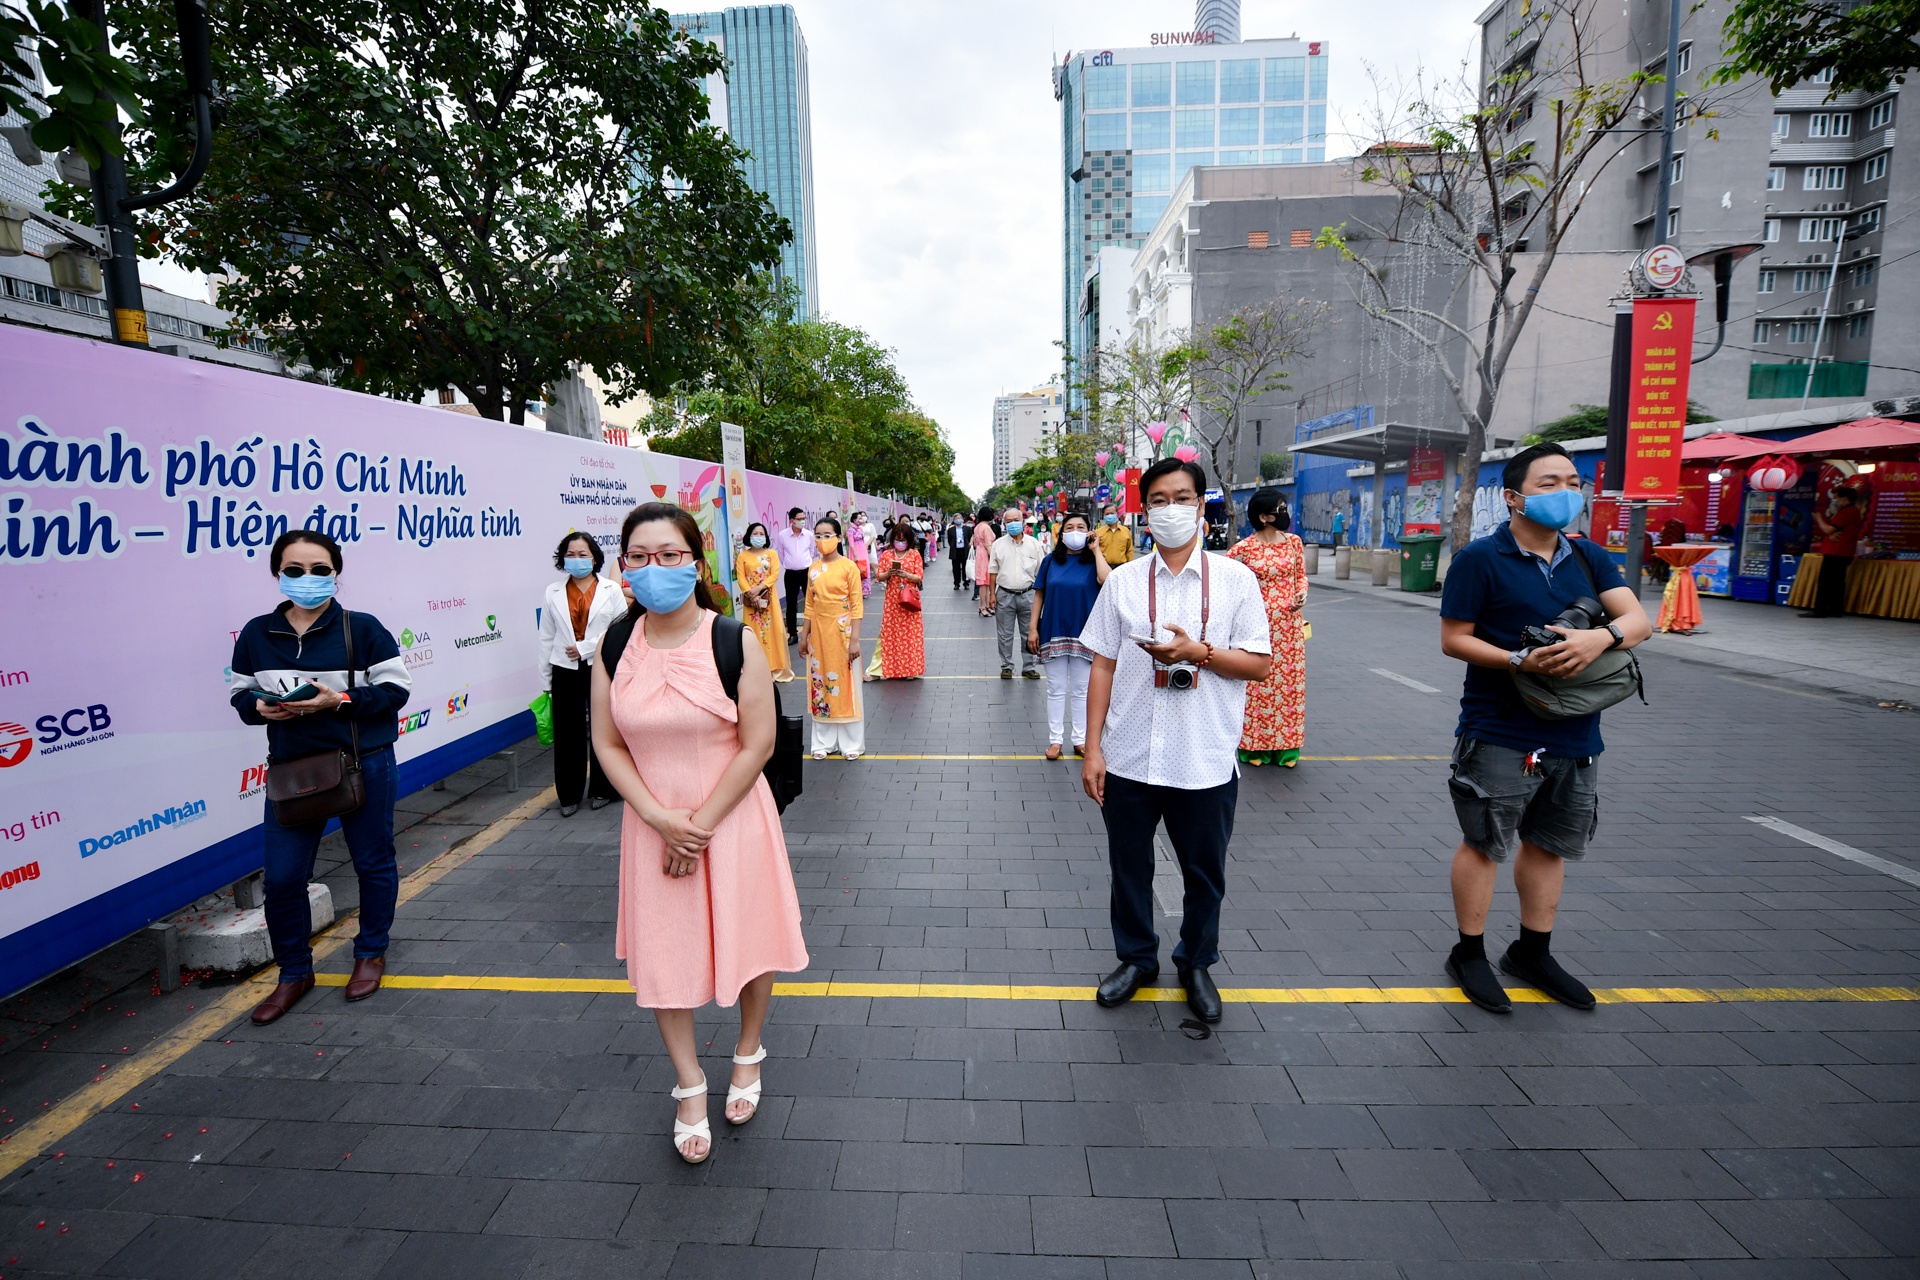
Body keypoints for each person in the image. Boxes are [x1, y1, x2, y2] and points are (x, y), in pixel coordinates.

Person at [592, 502, 809, 1164]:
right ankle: (689, 1086)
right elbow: (606, 744)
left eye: (670, 555)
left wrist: (702, 825)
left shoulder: (732, 638)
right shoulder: (614, 644)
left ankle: (749, 1051)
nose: (654, 568)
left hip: (733, 820)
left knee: (752, 943)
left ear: (695, 563)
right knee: (666, 957)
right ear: (624, 566)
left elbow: (759, 742)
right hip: (652, 829)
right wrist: (662, 822)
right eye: (640, 557)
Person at [1438, 441, 1651, 1015]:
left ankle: (1533, 952)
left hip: (1576, 730)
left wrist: (1598, 637)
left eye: (1573, 482)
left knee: (1550, 845)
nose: (1566, 494)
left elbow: (1637, 619)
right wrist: (1516, 660)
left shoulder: (1589, 557)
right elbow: (1454, 638)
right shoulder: (1479, 559)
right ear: (1514, 497)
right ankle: (1471, 954)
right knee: (1486, 841)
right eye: (1549, 483)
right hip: (1501, 727)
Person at [1079, 458, 1273, 1023]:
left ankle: (1196, 961)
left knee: (1203, 871)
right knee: (1129, 867)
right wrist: (1093, 748)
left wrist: (1200, 653)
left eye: (1182, 497)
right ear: (1144, 509)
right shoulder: (1123, 581)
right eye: (1158, 499)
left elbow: (1259, 665)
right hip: (1131, 753)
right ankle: (1137, 958)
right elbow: (1103, 666)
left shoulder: (1237, 580)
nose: (1170, 509)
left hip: (1205, 756)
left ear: (1201, 505)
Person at [229, 530, 412, 1024]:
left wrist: (340, 699)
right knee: (284, 879)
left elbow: (396, 692)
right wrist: (262, 707)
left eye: (319, 569)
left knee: (372, 862)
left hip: (363, 762)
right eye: (293, 570)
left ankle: (370, 952)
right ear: (277, 574)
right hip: (293, 770)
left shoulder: (362, 628)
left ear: (336, 572)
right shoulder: (256, 634)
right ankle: (294, 973)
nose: (306, 579)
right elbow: (240, 697)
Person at [540, 531, 627, 815]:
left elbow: (619, 631)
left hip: (601, 665)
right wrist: (546, 681)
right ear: (562, 558)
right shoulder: (552, 591)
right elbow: (546, 637)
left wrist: (586, 647)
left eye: (583, 554)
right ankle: (569, 795)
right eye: (571, 554)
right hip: (564, 668)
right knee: (568, 733)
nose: (576, 560)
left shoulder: (611, 590)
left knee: (605, 728)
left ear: (594, 558)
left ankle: (604, 788)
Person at [1227, 489, 1309, 768]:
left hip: (1289, 628)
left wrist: (1301, 595)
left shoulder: (1294, 543)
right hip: (1255, 626)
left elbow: (1301, 578)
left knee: (1289, 688)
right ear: (1263, 517)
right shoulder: (1243, 549)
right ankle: (1254, 748)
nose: (1284, 512)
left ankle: (1287, 747)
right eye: (1279, 508)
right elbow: (1225, 583)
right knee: (1256, 688)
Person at [1028, 511, 1110, 759]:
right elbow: (1039, 594)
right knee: (1055, 689)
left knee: (1081, 689)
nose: (1075, 531)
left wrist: (1096, 550)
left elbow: (1106, 580)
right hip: (1053, 630)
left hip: (1085, 633)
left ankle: (1079, 739)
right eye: (1070, 527)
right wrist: (1033, 628)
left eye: (1081, 527)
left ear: (1090, 532)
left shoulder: (1092, 560)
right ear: (1061, 534)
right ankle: (1055, 740)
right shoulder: (1051, 561)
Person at [800, 516, 866, 759]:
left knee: (846, 685)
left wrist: (855, 639)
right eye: (818, 535)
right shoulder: (813, 568)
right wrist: (804, 635)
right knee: (820, 684)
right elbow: (809, 605)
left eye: (828, 535)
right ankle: (823, 743)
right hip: (818, 633)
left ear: (839, 537)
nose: (822, 540)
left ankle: (851, 744)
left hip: (843, 632)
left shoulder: (849, 567)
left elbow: (857, 606)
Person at [988, 506, 1046, 679]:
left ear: (1022, 521)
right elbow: (992, 571)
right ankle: (1006, 666)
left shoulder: (1034, 544)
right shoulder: (998, 545)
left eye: (1016, 520)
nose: (1013, 524)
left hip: (1028, 594)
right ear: (1004, 523)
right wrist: (992, 594)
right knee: (1004, 634)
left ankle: (1028, 667)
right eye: (1009, 521)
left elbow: (1041, 571)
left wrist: (1042, 597)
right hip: (1004, 594)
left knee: (1029, 632)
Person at [735, 522, 794, 683]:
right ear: (749, 535)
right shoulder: (742, 556)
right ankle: (756, 669)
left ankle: (775, 668)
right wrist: (751, 594)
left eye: (762, 534)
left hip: (768, 600)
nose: (758, 536)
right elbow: (740, 577)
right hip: (751, 603)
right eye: (755, 533)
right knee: (752, 634)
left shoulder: (772, 554)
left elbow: (774, 574)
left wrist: (758, 589)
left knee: (774, 632)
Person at [870, 517, 926, 680]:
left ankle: (910, 669)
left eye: (903, 540)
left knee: (910, 634)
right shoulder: (887, 555)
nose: (900, 543)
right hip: (892, 600)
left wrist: (907, 575)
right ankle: (891, 669)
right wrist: (889, 574)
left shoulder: (915, 554)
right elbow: (879, 576)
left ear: (909, 540)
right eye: (897, 539)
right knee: (890, 634)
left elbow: (919, 577)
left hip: (909, 599)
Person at [1802, 485, 1865, 618]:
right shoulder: (1852, 511)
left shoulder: (1847, 512)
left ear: (1845, 499)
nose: (1836, 501)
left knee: (1826, 581)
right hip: (1843, 552)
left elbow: (1829, 529)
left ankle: (1820, 609)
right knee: (1837, 582)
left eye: (1837, 498)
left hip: (1836, 552)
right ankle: (1835, 609)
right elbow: (1835, 531)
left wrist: (1818, 519)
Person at [772, 507, 814, 644]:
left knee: (812, 601)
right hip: (790, 573)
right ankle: (793, 633)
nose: (802, 521)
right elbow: (781, 553)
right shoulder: (783, 535)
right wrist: (789, 564)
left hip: (806, 572)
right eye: (799, 519)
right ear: (791, 520)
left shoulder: (809, 535)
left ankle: (813, 631)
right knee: (791, 604)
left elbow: (812, 552)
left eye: (803, 518)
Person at [971, 507, 998, 614]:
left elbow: (975, 543)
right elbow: (988, 544)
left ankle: (986, 605)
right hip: (985, 555)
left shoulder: (977, 526)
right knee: (984, 581)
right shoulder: (986, 527)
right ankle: (983, 606)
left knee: (984, 581)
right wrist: (994, 558)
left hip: (979, 553)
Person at [846, 509, 873, 598]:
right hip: (856, 551)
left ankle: (865, 590)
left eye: (861, 518)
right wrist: (855, 555)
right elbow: (851, 544)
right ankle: (856, 590)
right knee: (857, 570)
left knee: (865, 569)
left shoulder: (860, 529)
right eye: (859, 518)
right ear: (854, 520)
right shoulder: (851, 530)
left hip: (863, 550)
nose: (861, 520)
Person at [947, 512, 971, 590]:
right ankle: (956, 583)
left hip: (964, 550)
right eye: (956, 518)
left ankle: (966, 582)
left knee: (965, 568)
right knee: (956, 568)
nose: (958, 520)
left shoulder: (967, 529)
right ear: (954, 520)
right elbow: (950, 541)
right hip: (955, 550)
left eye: (959, 518)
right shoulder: (951, 530)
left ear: (963, 519)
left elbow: (970, 538)